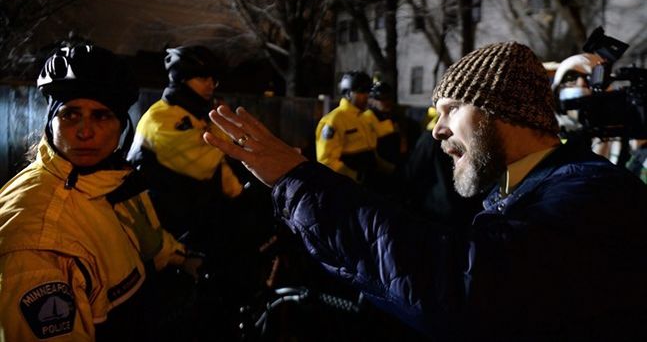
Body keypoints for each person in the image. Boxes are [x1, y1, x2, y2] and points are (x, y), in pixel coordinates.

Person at [204, 41, 647, 341]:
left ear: (502, 111)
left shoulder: (592, 193)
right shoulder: (524, 190)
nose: (436, 130)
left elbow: (462, 284)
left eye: (452, 109)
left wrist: (298, 179)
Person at [0, 44, 200, 341]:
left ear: (122, 127)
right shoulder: (37, 240)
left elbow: (149, 239)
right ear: (50, 123)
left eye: (102, 115)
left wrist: (185, 258)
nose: (85, 131)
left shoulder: (112, 180)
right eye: (70, 115)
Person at [127, 45, 244, 241]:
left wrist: (239, 194)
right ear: (180, 78)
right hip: (162, 229)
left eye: (213, 79)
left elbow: (220, 165)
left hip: (196, 217)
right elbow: (203, 163)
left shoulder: (195, 114)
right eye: (201, 77)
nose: (210, 85)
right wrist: (227, 129)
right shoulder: (160, 117)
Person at [315, 71, 393, 184]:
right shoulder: (334, 120)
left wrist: (387, 168)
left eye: (367, 91)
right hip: (350, 184)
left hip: (370, 180)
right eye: (361, 91)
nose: (366, 96)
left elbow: (370, 148)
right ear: (348, 93)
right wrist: (354, 176)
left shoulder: (364, 117)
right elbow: (326, 161)